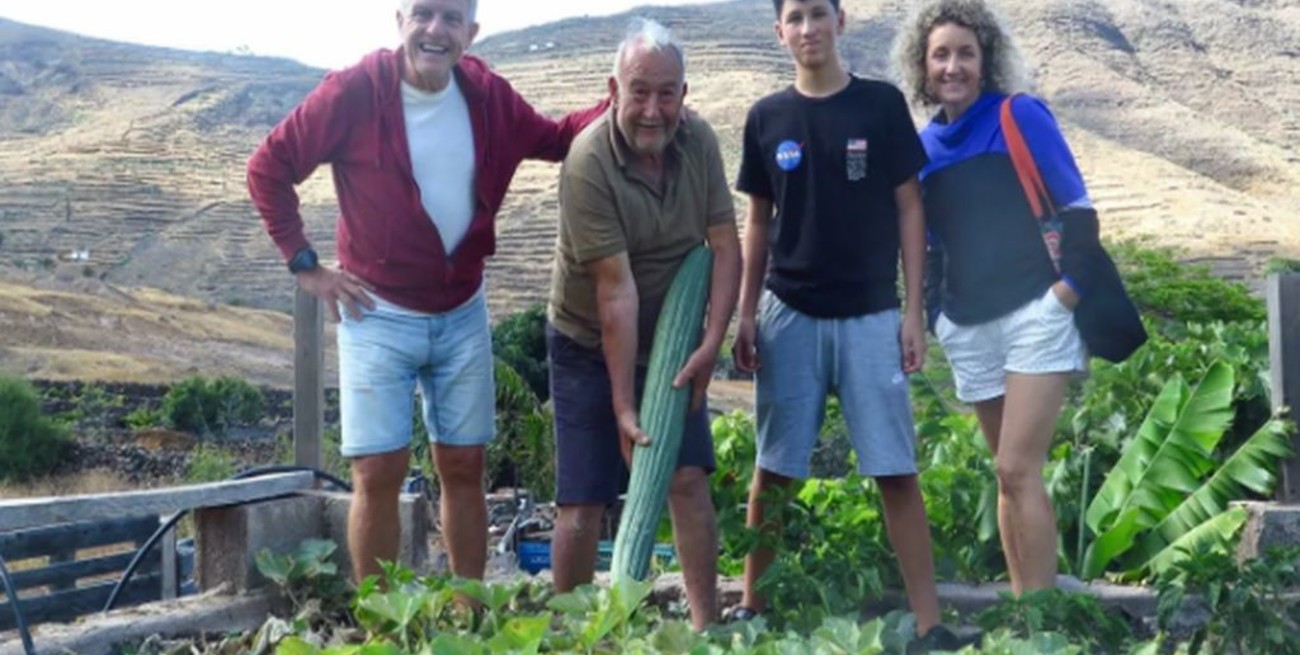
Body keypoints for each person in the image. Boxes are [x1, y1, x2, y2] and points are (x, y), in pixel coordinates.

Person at [246, 0, 603, 584]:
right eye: (423, 13)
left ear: (471, 32)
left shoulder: (488, 96)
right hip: (375, 311)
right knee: (378, 471)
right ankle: (384, 627)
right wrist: (306, 266)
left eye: (451, 18)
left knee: (465, 465)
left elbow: (558, 137)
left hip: (462, 311)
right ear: (399, 21)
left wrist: (629, 98)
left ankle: (467, 610)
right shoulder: (355, 92)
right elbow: (269, 166)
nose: (435, 30)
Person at [728, 0, 968, 649]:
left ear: (843, 21)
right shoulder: (766, 117)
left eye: (818, 14)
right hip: (790, 311)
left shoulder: (881, 106)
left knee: (895, 467)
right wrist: (745, 313)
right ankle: (753, 606)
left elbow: (909, 206)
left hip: (872, 313)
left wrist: (913, 308)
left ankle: (929, 623)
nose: (808, 29)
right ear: (779, 31)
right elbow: (757, 221)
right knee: (773, 467)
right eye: (795, 17)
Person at [545, 18, 741, 631]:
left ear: (684, 95)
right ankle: (572, 631)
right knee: (583, 500)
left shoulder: (700, 142)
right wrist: (625, 407)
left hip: (673, 340)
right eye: (639, 91)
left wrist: (712, 342)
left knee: (686, 479)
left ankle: (707, 626)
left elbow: (724, 246)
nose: (653, 109)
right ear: (613, 89)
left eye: (667, 93)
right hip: (585, 339)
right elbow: (615, 293)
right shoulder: (587, 163)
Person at [891, 0, 1091, 594]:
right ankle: (1026, 613)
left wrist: (1067, 293)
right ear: (923, 68)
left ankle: (1045, 611)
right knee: (1006, 478)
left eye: (965, 54)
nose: (953, 66)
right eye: (941, 55)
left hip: (1037, 312)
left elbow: (1077, 206)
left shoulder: (1018, 115)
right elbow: (927, 247)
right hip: (969, 326)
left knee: (1015, 466)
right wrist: (934, 318)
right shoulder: (923, 147)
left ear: (987, 60)